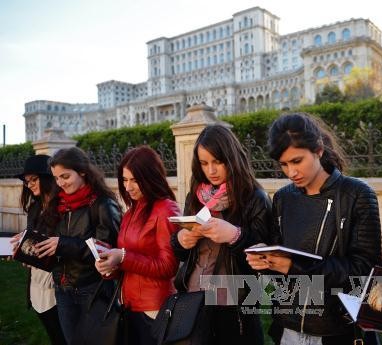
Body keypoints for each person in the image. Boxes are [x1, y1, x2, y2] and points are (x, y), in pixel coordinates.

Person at [246, 113, 382, 345]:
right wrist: (266, 260)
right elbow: (279, 274)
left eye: (297, 161)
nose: (291, 172)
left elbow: (365, 273)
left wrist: (294, 266)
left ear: (318, 150)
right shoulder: (282, 198)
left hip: (335, 329)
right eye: (284, 164)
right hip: (287, 328)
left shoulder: (357, 195)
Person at [170, 124, 272, 345]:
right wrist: (181, 240)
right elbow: (179, 250)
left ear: (232, 158)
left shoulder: (254, 198)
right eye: (204, 163)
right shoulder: (195, 196)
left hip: (234, 300)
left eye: (217, 162)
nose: (211, 170)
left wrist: (235, 235)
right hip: (194, 294)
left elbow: (265, 256)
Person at [95, 145, 181, 345]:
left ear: (151, 177)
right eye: (124, 180)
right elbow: (127, 262)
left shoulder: (166, 209)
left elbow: (168, 266)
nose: (128, 187)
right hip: (128, 305)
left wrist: (123, 257)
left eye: (135, 180)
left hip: (154, 309)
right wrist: (109, 266)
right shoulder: (131, 211)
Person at [35, 147, 121, 344]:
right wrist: (31, 250)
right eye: (57, 178)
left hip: (93, 289)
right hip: (62, 289)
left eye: (65, 176)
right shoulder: (58, 203)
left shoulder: (103, 204)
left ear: (82, 171)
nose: (60, 183)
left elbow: (106, 251)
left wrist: (63, 245)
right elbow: (52, 242)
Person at [11, 155, 66, 345]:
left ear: (47, 178)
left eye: (33, 179)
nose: (29, 185)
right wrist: (22, 248)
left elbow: (65, 245)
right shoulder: (34, 208)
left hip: (56, 284)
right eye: (27, 181)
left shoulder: (63, 208)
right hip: (36, 283)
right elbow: (34, 240)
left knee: (63, 336)